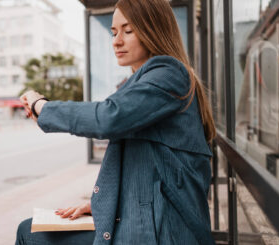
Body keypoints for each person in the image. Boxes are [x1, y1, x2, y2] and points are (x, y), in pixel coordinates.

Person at [16, 0, 216, 244]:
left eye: (128, 31)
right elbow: (145, 167)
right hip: (144, 220)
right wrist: (101, 205)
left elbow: (107, 117)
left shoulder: (169, 73)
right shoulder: (148, 81)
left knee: (31, 234)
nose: (117, 41)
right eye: (113, 32)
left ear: (154, 30)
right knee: (31, 230)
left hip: (163, 231)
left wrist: (42, 107)